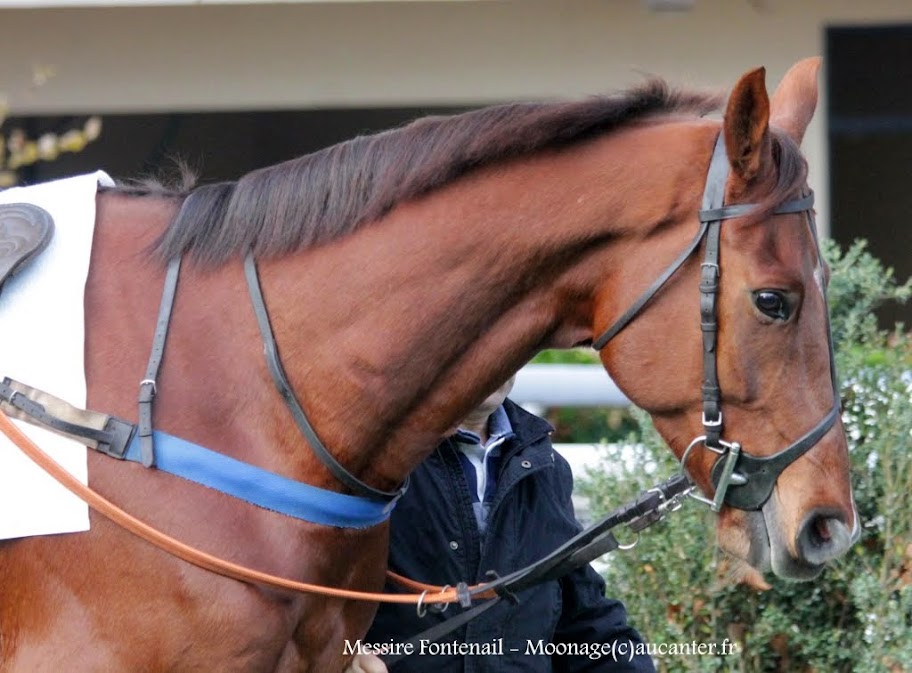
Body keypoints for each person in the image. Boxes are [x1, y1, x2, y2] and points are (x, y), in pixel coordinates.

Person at [351, 376, 655, 673]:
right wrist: (343, 652)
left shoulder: (546, 465)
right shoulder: (372, 458)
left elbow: (584, 620)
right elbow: (312, 593)